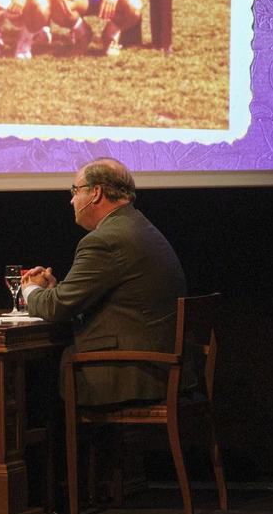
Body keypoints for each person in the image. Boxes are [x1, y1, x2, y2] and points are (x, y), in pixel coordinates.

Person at [20, 158, 187, 407]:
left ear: (95, 192)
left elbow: (57, 308)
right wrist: (55, 290)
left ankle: (57, 446)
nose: (71, 200)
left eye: (75, 191)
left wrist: (30, 288)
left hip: (134, 374)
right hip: (163, 367)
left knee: (46, 378)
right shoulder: (137, 225)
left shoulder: (106, 239)